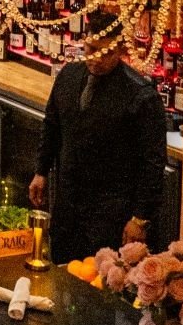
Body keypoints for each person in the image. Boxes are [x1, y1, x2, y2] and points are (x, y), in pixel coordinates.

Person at [30, 32, 168, 264]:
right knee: (62, 268)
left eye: (106, 52)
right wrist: (41, 171)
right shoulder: (69, 75)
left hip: (111, 211)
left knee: (101, 276)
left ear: (121, 50)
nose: (97, 58)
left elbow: (153, 163)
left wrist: (140, 218)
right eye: (91, 49)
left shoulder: (141, 95)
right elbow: (52, 125)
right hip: (68, 204)